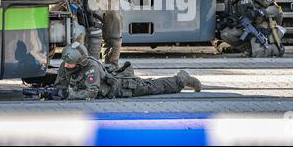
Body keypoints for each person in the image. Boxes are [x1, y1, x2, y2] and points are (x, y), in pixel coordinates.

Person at [23, 42, 202, 101]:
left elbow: (91, 93)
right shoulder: (66, 64)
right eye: (66, 63)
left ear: (80, 62)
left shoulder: (91, 67)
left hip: (120, 87)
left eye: (70, 64)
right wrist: (49, 93)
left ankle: (181, 79)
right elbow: (61, 84)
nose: (65, 66)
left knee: (153, 86)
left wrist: (69, 94)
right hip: (107, 89)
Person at [220, 0, 286, 58]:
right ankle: (248, 49)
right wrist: (232, 20)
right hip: (246, 27)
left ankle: (273, 48)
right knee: (226, 34)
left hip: (261, 28)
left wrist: (259, 12)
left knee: (258, 53)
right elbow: (234, 15)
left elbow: (277, 9)